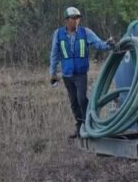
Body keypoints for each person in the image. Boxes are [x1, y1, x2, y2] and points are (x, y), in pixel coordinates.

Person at [49, 7, 115, 138]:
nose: (76, 21)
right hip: (67, 74)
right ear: (66, 20)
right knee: (73, 102)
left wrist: (109, 44)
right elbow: (54, 54)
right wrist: (53, 72)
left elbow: (99, 44)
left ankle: (88, 124)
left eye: (78, 18)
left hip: (80, 74)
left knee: (82, 99)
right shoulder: (58, 34)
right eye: (73, 18)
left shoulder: (86, 32)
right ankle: (79, 127)